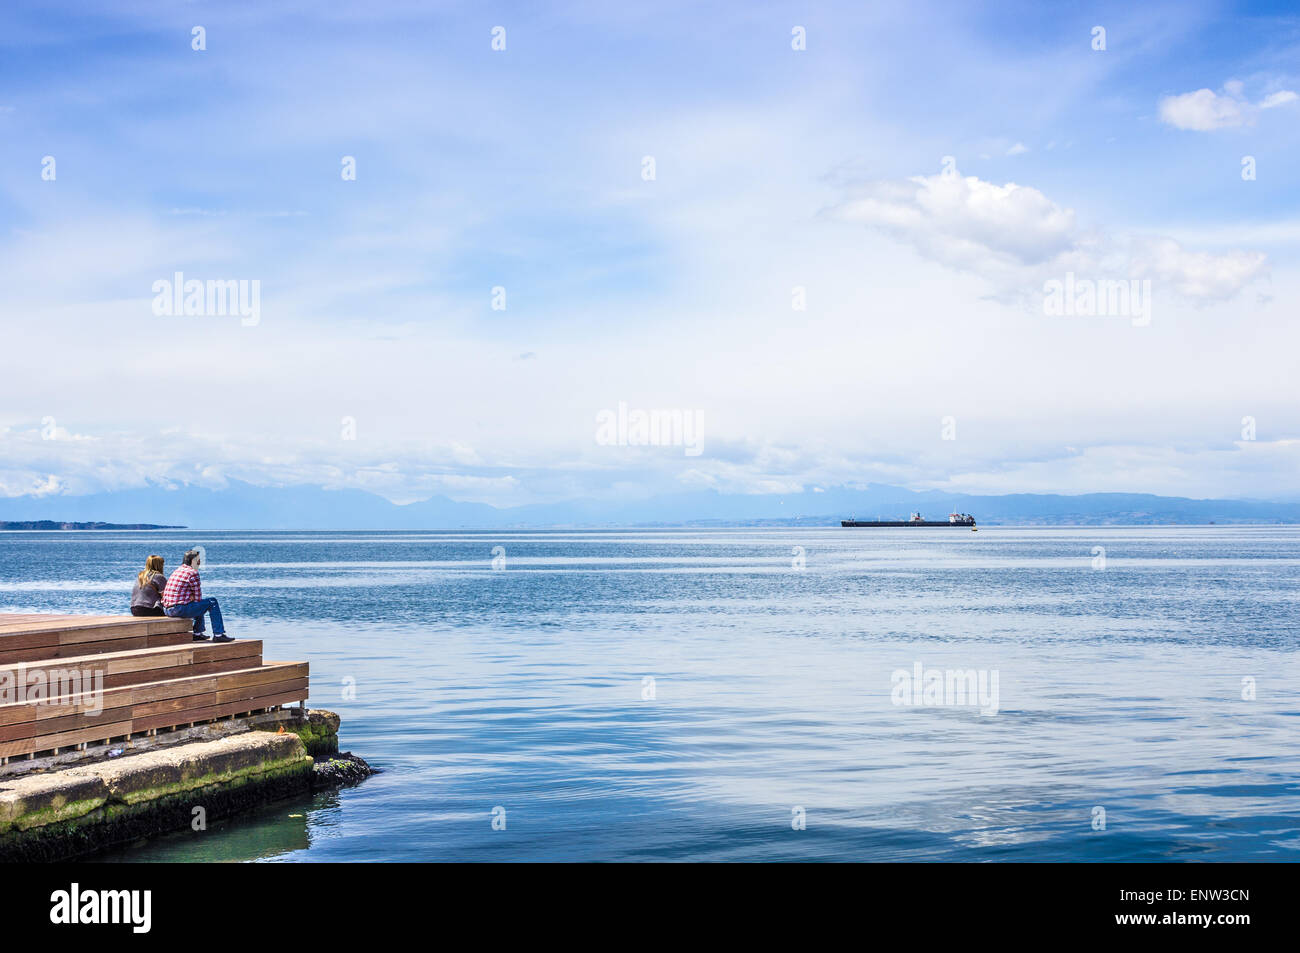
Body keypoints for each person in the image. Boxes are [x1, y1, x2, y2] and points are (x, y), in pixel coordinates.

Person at [161, 549, 234, 642]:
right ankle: (218, 634)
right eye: (198, 561)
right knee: (212, 601)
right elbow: (198, 598)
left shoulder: (177, 570)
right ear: (193, 561)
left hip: (167, 609)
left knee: (200, 604)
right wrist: (192, 598)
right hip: (178, 610)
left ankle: (197, 633)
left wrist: (190, 598)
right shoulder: (192, 573)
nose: (199, 563)